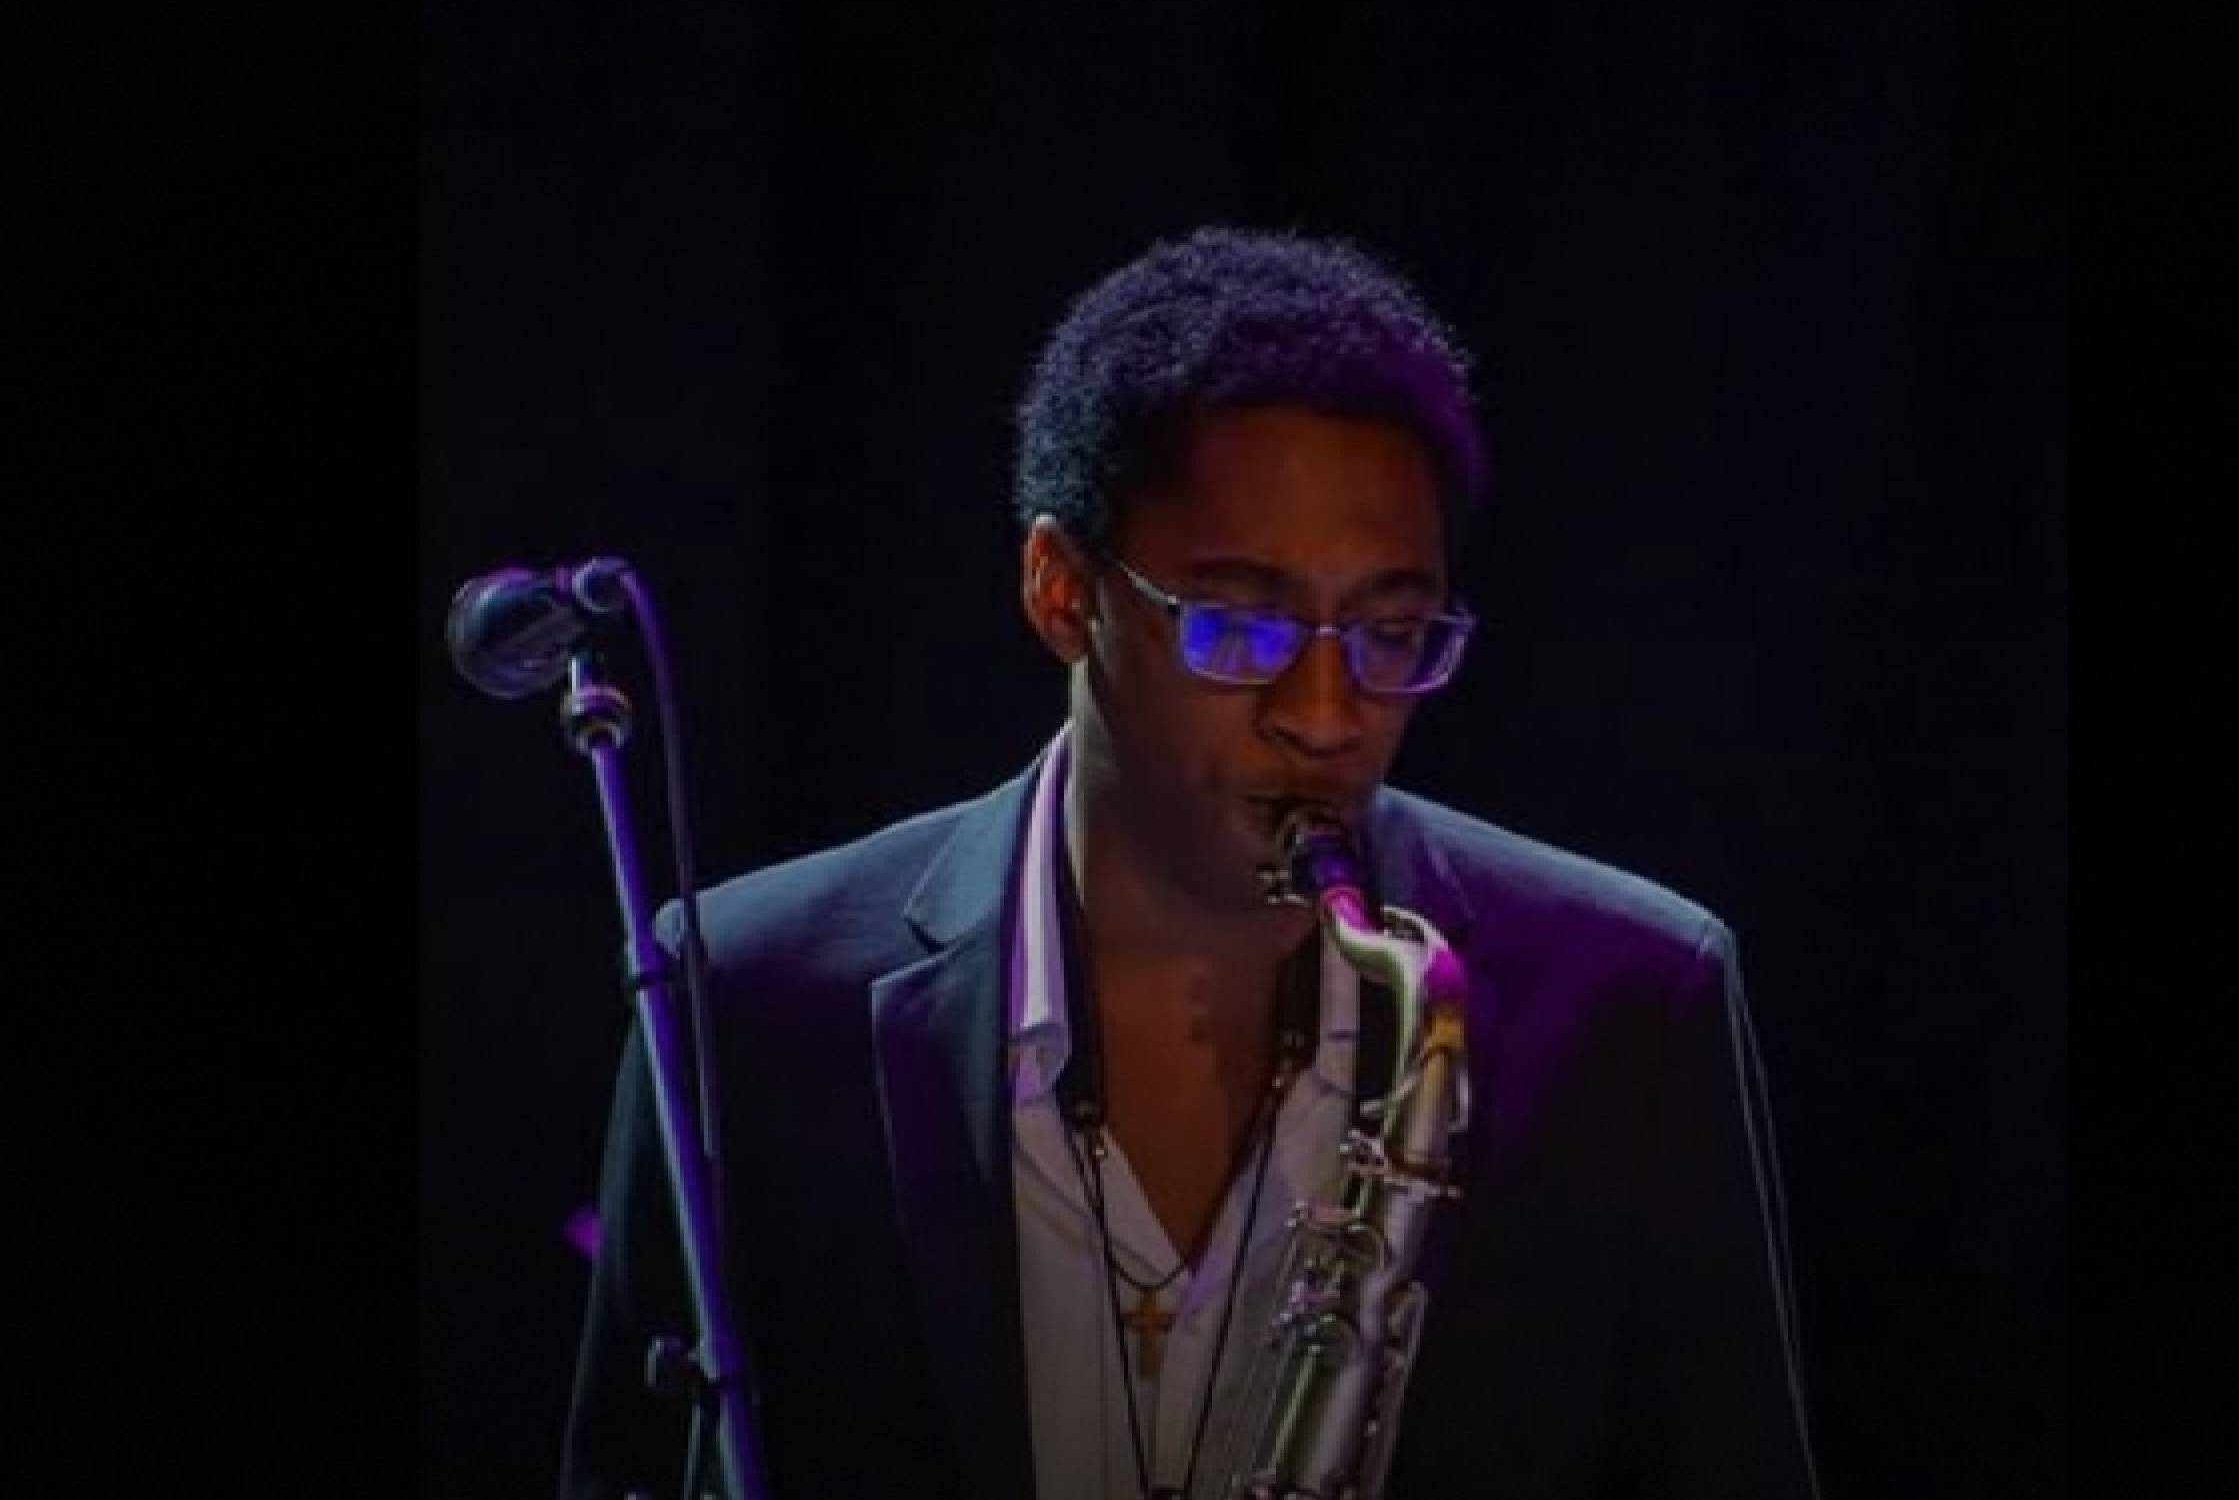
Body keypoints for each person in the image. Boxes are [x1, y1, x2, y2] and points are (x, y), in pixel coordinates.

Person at [563, 227, 1819, 1500]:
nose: (1325, 714)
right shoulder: (747, 998)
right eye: (1242, 626)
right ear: (1062, 593)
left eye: (1391, 633)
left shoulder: (1633, 1003)